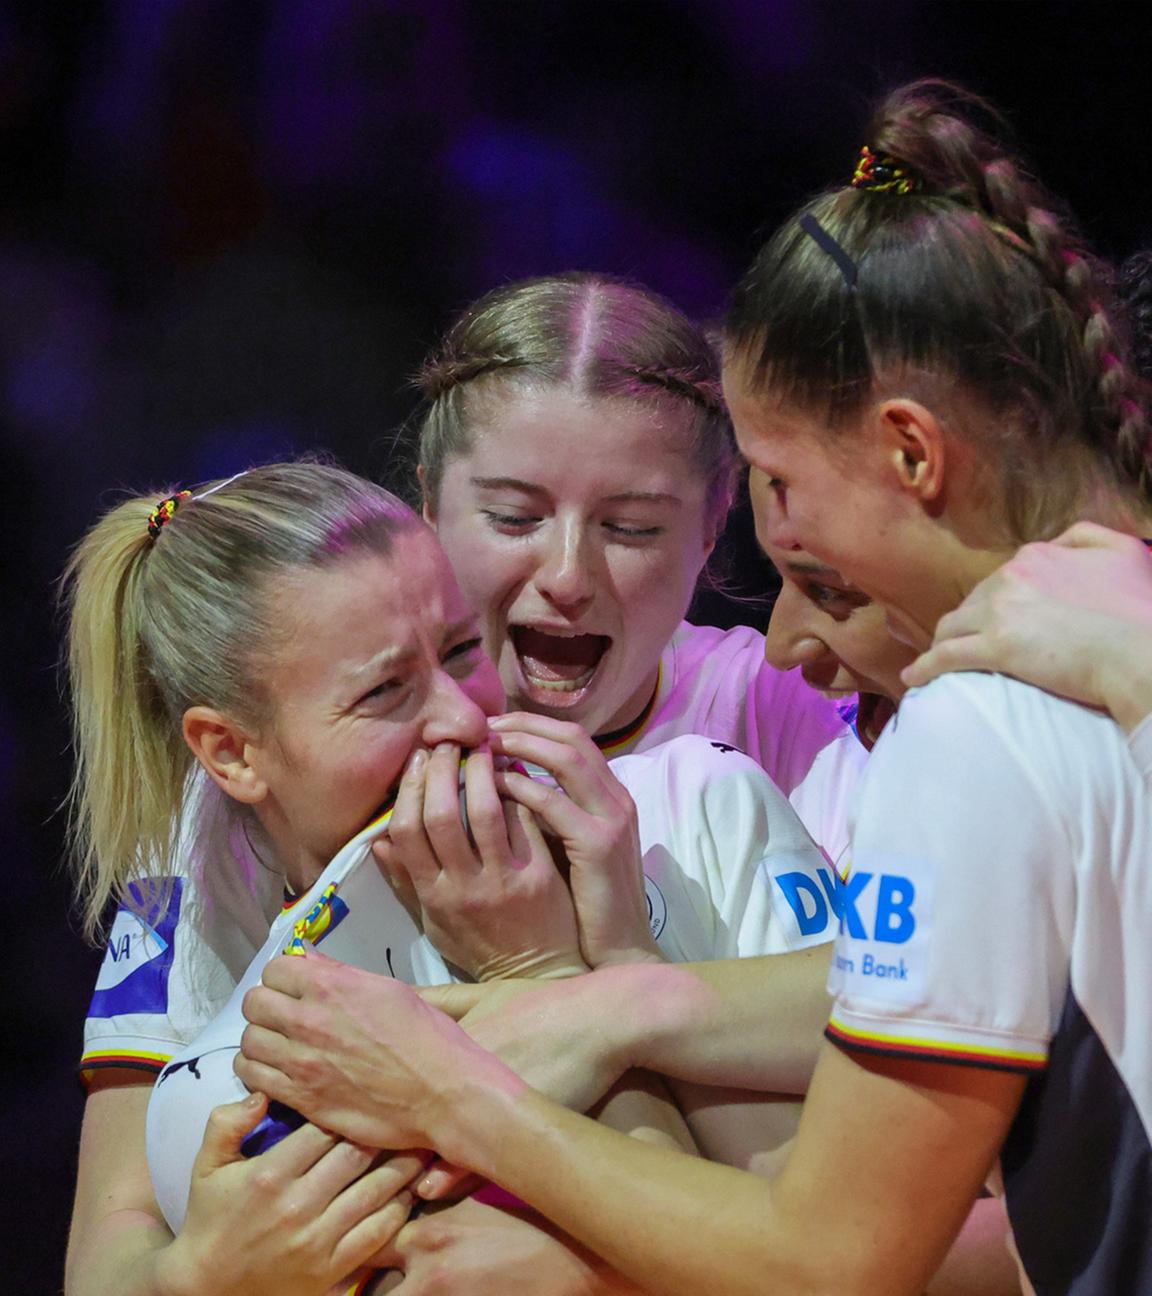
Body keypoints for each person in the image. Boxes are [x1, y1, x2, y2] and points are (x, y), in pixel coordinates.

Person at [236, 80, 1152, 1296]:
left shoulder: (968, 727)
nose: (788, 621)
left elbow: (835, 1261)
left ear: (912, 451)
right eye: (514, 514)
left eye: (774, 483)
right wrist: (615, 1000)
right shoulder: (1096, 666)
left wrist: (463, 1081)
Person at [65, 462, 837, 1296]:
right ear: (231, 753)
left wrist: (548, 972)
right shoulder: (189, 887)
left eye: (464, 649)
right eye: (385, 691)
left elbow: (841, 1243)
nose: (466, 716)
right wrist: (197, 1278)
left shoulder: (699, 809)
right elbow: (110, 1251)